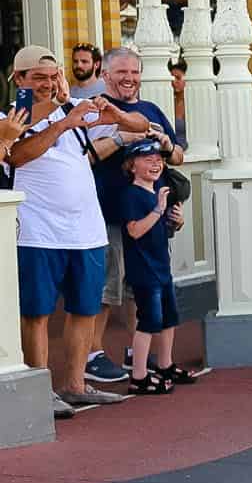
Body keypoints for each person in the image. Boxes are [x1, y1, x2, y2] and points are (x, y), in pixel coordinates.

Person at [6, 47, 130, 412]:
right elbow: (16, 155)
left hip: (86, 230)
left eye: (52, 76)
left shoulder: (74, 109)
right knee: (37, 312)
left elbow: (134, 126)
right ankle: (39, 390)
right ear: (19, 80)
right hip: (37, 230)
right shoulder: (9, 118)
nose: (46, 84)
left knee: (85, 308)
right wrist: (62, 117)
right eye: (37, 78)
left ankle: (75, 384)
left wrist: (114, 114)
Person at [84, 47, 183, 387]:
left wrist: (166, 145)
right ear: (105, 75)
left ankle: (134, 352)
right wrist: (124, 136)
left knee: (138, 286)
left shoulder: (151, 109)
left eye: (134, 72)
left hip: (151, 212)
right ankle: (93, 355)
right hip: (109, 211)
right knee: (108, 287)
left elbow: (179, 155)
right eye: (121, 72)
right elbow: (88, 156)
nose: (129, 79)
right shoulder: (95, 110)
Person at [118, 141, 195, 394]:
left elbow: (160, 230)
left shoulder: (157, 192)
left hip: (161, 265)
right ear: (132, 165)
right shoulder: (132, 195)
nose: (156, 163)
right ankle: (139, 376)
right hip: (144, 268)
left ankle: (165, 364)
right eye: (147, 159)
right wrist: (158, 210)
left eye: (158, 159)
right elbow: (135, 230)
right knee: (149, 320)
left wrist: (176, 222)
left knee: (168, 317)